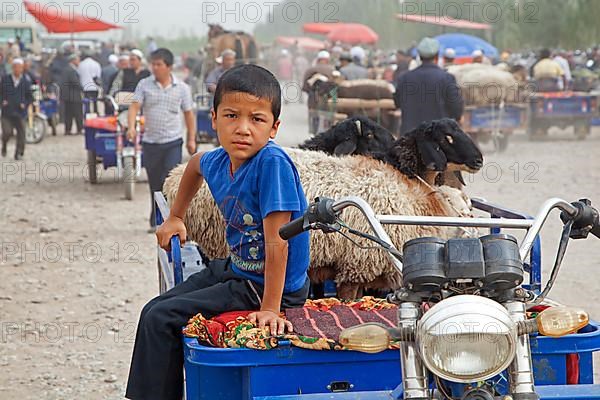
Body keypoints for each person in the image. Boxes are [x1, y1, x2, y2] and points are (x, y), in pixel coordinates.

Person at [125, 63, 310, 400]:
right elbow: (194, 164)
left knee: (161, 318)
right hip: (239, 270)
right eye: (231, 116)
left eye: (256, 119)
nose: (242, 128)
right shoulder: (218, 160)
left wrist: (270, 309)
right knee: (152, 310)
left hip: (271, 287)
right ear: (213, 118)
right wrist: (176, 217)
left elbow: (277, 242)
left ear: (274, 127)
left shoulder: (271, 164)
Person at [127, 48, 196, 230]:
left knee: (170, 182)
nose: (155, 68)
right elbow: (134, 107)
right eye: (153, 64)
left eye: (159, 64)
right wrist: (131, 127)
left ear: (169, 67)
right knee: (155, 183)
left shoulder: (182, 88)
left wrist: (191, 139)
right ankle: (155, 221)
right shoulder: (144, 85)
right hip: (151, 143)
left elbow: (189, 115)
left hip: (173, 142)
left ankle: (172, 220)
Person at [394, 37, 464, 135]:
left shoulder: (404, 78)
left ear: (419, 56)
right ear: (436, 57)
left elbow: (397, 103)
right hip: (437, 138)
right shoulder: (446, 78)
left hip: (410, 137)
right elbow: (456, 109)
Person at [1, 58, 33, 159]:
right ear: (12, 68)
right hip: (7, 112)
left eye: (20, 67)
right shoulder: (5, 79)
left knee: (22, 133)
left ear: (22, 68)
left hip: (20, 112)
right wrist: (2, 101)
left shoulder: (25, 82)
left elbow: (30, 97)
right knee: (7, 132)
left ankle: (18, 153)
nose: (18, 69)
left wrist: (25, 104)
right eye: (16, 67)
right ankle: (4, 145)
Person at [61, 54, 84, 135]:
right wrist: (82, 88)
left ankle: (68, 129)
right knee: (78, 113)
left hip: (67, 96)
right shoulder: (71, 70)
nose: (79, 62)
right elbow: (75, 82)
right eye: (78, 60)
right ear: (73, 60)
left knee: (68, 114)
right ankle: (79, 129)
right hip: (74, 95)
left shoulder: (66, 69)